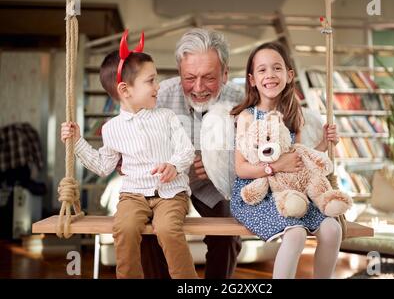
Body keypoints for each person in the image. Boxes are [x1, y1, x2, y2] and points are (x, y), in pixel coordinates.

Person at [60, 31, 197, 279]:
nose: (158, 87)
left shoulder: (166, 117)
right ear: (125, 89)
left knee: (167, 229)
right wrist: (77, 142)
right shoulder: (112, 129)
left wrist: (174, 165)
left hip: (171, 193)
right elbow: (103, 166)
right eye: (151, 81)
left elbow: (186, 150)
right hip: (133, 195)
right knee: (123, 227)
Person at [230, 42, 341, 279]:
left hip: (292, 189)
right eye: (262, 70)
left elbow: (299, 156)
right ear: (252, 79)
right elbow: (241, 169)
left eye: (277, 68)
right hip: (256, 193)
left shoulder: (293, 112)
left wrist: (324, 143)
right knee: (296, 233)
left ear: (289, 75)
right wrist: (275, 167)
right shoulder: (247, 117)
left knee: (332, 229)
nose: (270, 75)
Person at [140, 28, 243, 279]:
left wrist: (221, 166)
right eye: (189, 77)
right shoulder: (158, 95)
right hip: (166, 184)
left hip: (213, 185)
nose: (198, 88)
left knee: (228, 231)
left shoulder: (241, 102)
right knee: (149, 232)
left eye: (209, 77)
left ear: (225, 74)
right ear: (179, 73)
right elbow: (129, 133)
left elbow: (256, 153)